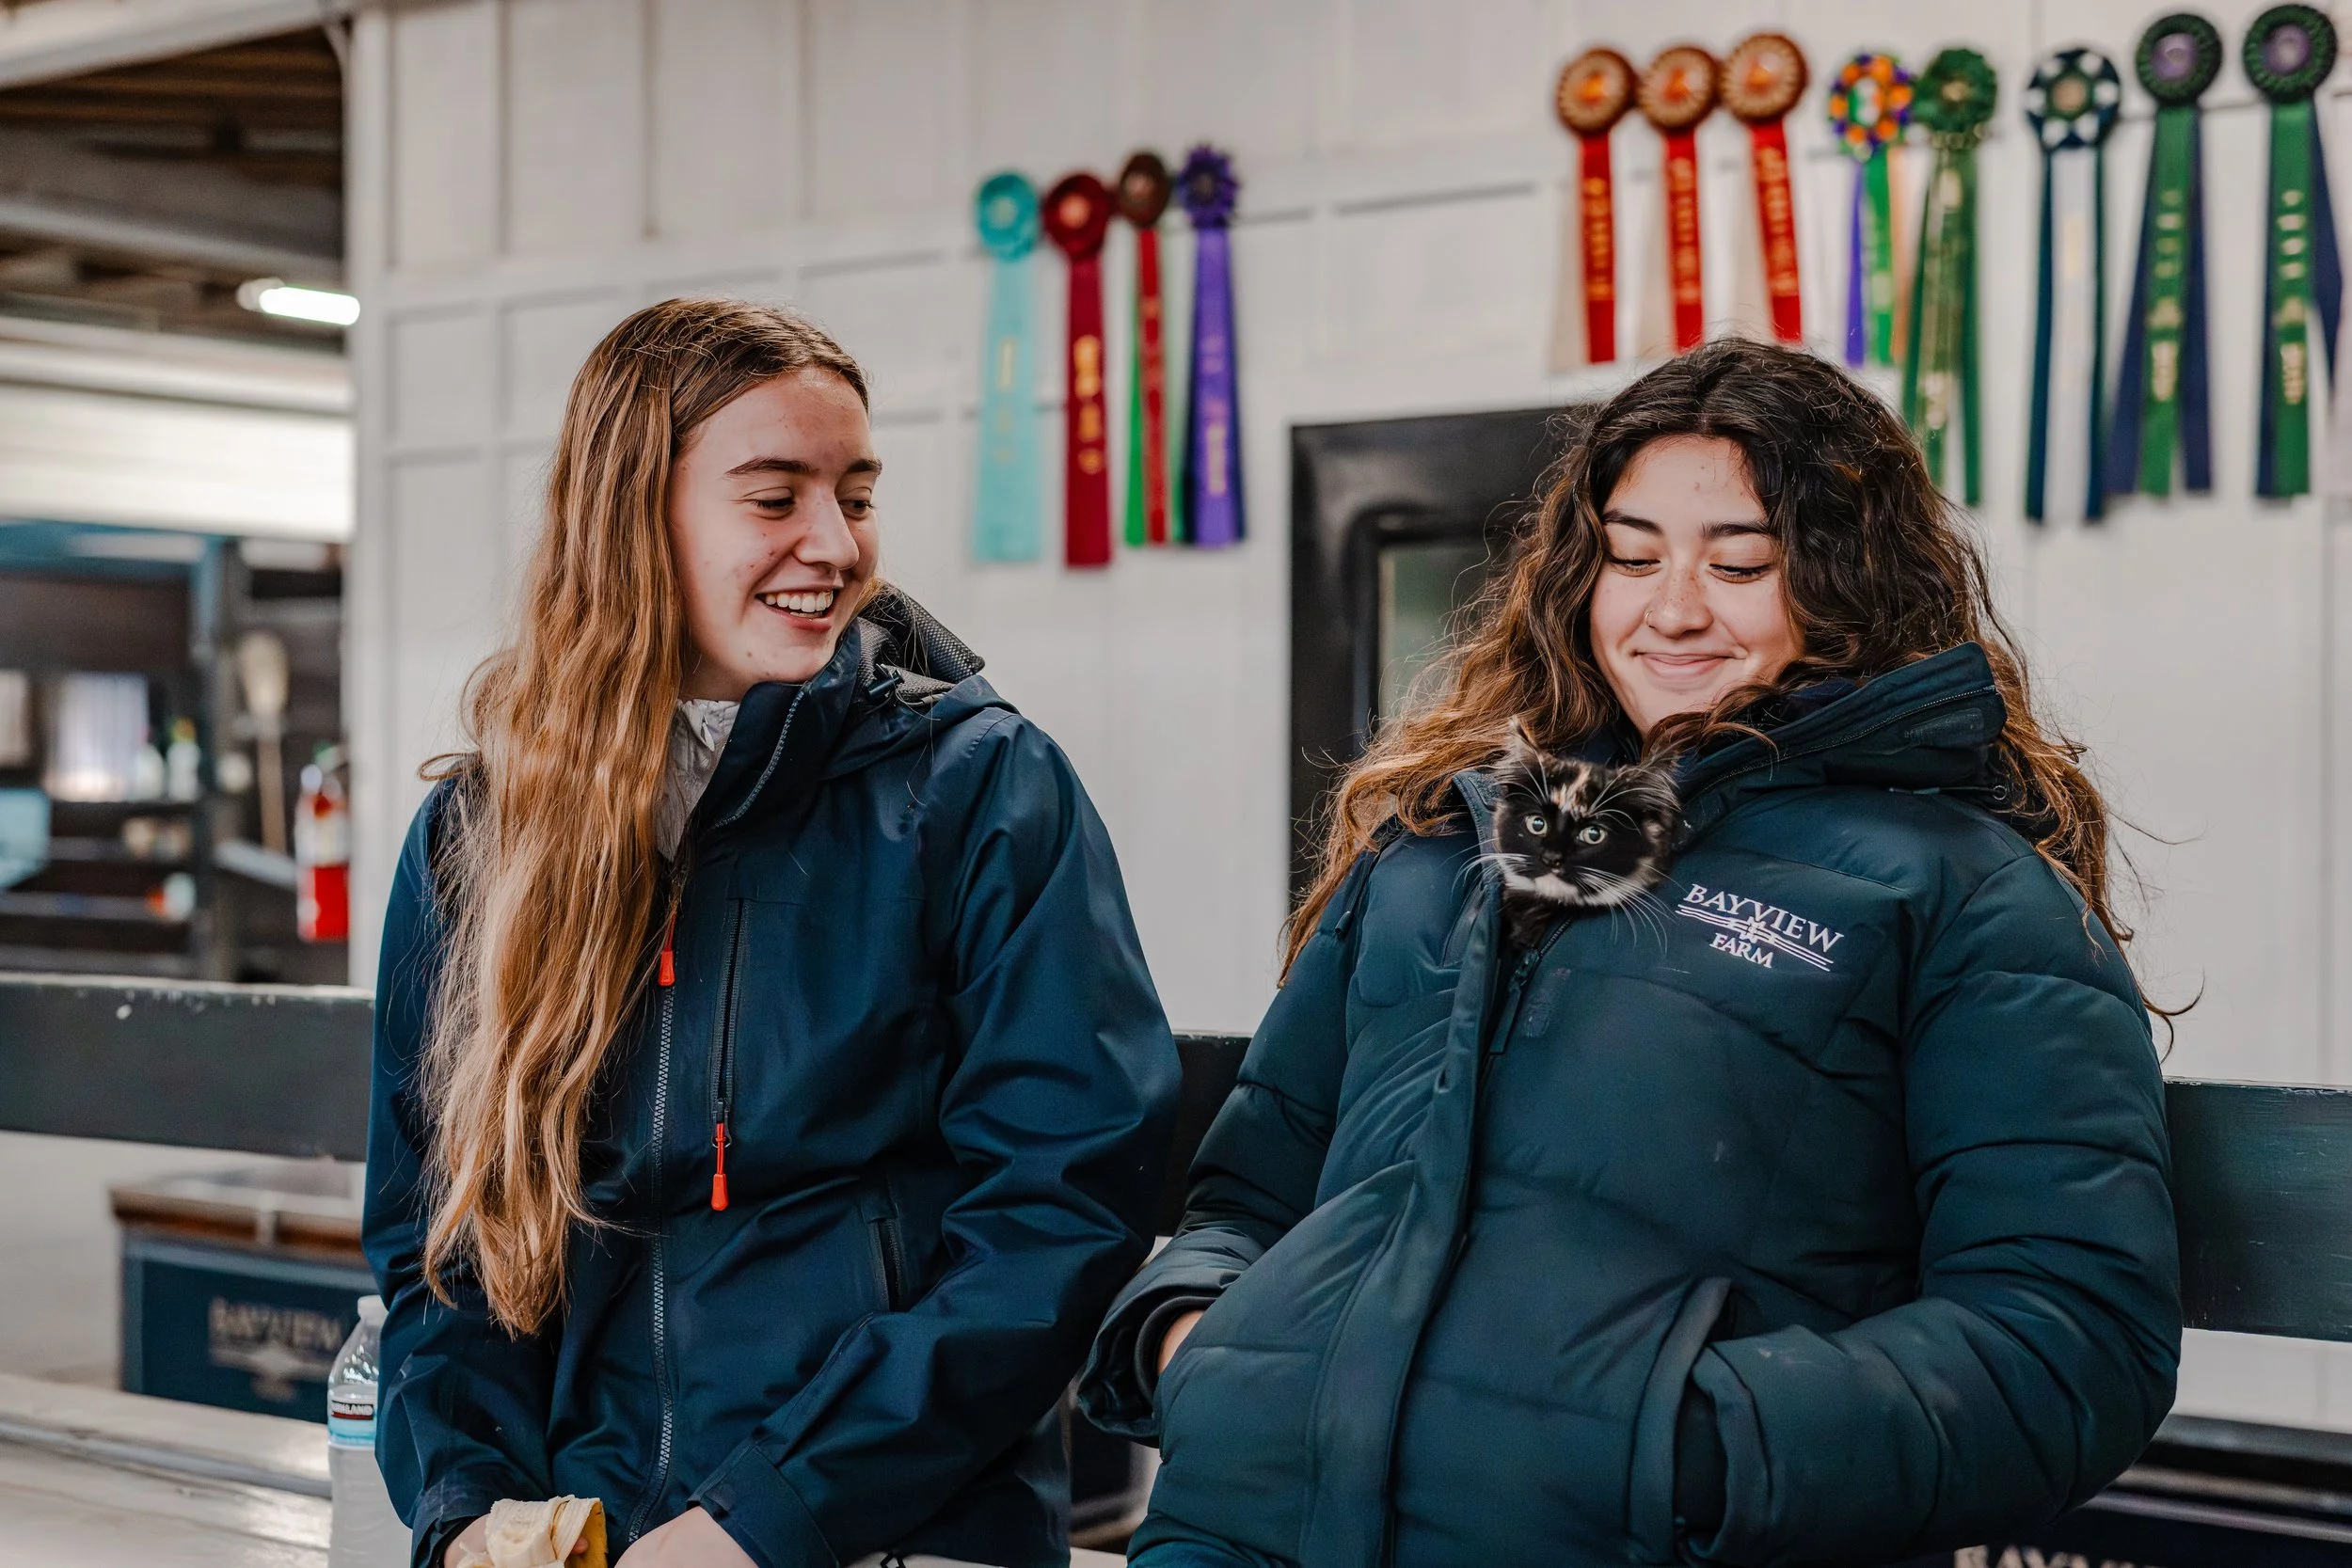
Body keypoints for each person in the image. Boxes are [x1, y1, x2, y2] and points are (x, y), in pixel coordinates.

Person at [1079, 339, 2181, 1568]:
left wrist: (1684, 1453)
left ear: (1853, 576)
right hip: (1243, 1529)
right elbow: (1247, 1193)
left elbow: (2067, 1337)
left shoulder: (1964, 892)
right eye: (1633, 553)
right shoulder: (1438, 848)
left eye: (1743, 561)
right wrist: (1189, 1343)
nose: (1672, 608)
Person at [362, 298, 1179, 1568]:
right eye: (774, 496)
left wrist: (763, 1520)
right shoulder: (486, 830)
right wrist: (470, 1508)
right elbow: (441, 1241)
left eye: (856, 494)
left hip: (901, 1531)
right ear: (637, 517)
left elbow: (1059, 1211)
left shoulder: (979, 788)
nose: (837, 543)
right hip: (597, 1536)